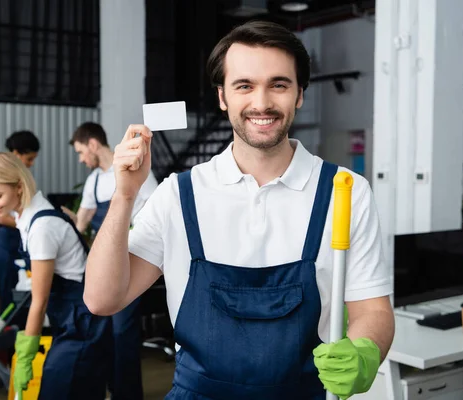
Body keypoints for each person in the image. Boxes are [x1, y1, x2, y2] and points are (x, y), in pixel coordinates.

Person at [83, 20, 395, 400]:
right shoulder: (179, 195)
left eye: (278, 84)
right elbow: (102, 299)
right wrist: (123, 196)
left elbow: (372, 310)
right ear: (222, 96)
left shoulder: (344, 192)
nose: (261, 103)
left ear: (299, 94)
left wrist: (364, 352)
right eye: (244, 85)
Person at [0, 152, 112, 399]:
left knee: (57, 389)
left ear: (19, 187)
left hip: (83, 322)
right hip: (72, 317)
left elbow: (39, 302)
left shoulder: (41, 227)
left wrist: (26, 354)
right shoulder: (27, 215)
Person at [62, 122, 157, 400]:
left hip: (132, 257)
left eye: (81, 151)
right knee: (103, 330)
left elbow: (156, 212)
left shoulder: (133, 168)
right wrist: (68, 222)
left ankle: (128, 394)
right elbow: (82, 223)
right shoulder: (93, 181)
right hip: (104, 262)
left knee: (121, 332)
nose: (82, 159)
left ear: (92, 144)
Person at [0, 130, 40, 315]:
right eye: (29, 158)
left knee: (25, 292)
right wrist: (31, 224)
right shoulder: (3, 178)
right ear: (16, 153)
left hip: (21, 239)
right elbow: (2, 217)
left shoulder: (21, 177)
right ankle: (10, 335)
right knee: (10, 294)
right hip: (8, 241)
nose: (31, 163)